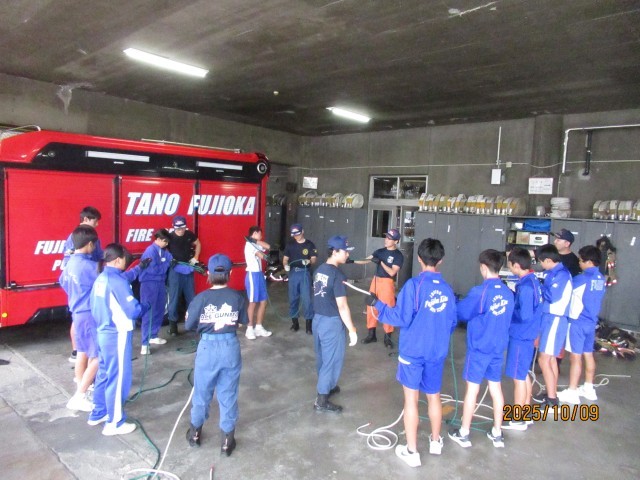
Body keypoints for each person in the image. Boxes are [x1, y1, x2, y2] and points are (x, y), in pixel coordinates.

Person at [367, 238, 457, 466]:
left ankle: (412, 451)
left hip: (413, 352)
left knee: (411, 400)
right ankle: (435, 442)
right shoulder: (447, 289)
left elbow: (400, 317)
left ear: (418, 258)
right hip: (436, 352)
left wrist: (378, 305)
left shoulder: (413, 286)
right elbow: (452, 322)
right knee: (434, 396)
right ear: (441, 260)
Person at [449, 249, 514, 449]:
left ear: (484, 268)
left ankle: (464, 433)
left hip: (479, 348)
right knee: (496, 388)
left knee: (472, 389)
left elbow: (462, 312)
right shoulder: (508, 293)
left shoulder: (480, 291)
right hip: (498, 348)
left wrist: (455, 301)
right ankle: (497, 433)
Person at [185, 254, 248, 457]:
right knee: (228, 393)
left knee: (202, 391)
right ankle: (227, 441)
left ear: (208, 274)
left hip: (207, 348)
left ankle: (195, 433)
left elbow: (189, 325)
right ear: (230, 273)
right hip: (230, 347)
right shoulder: (237, 297)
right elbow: (242, 322)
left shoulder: (200, 298)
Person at [88, 244, 148, 436]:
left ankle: (99, 412)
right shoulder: (117, 281)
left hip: (103, 332)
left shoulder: (101, 278)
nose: (126, 262)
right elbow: (133, 310)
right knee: (119, 377)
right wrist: (144, 307)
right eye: (124, 259)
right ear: (117, 260)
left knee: (104, 374)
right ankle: (114, 422)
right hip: (117, 334)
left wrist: (139, 268)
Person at [312, 235, 358, 413]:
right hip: (331, 322)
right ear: (335, 252)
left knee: (323, 357)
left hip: (318, 319)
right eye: (345, 251)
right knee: (331, 360)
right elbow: (342, 306)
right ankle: (321, 400)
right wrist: (352, 329)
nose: (347, 255)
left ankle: (328, 386)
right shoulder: (337, 275)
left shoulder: (320, 270)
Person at [557, 246, 606, 405]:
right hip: (591, 322)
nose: (579, 263)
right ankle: (589, 388)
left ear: (589, 262)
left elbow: (565, 289)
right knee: (588, 354)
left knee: (575, 357)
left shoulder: (581, 279)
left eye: (581, 260)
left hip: (577, 322)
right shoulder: (600, 278)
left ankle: (572, 391)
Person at [59, 225, 100, 412]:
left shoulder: (69, 263)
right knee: (98, 355)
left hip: (77, 313)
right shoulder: (90, 267)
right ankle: (80, 395)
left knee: (82, 352)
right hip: (89, 314)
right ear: (90, 244)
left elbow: (63, 282)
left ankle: (81, 387)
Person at [502, 247, 543, 431]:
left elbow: (524, 315)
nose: (509, 267)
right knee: (523, 373)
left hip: (521, 335)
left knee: (518, 377)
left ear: (516, 265)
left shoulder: (525, 287)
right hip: (529, 334)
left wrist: (510, 310)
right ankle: (526, 413)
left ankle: (518, 419)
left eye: (510, 264)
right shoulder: (532, 280)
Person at [62, 206, 103, 364]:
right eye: (95, 221)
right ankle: (77, 351)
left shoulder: (92, 236)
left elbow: (99, 257)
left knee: (80, 319)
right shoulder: (75, 237)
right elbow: (68, 266)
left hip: (89, 284)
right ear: (85, 219)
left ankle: (80, 353)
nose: (97, 224)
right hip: (84, 287)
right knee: (80, 320)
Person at [532, 244, 572, 407]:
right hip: (549, 318)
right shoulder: (553, 273)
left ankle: (552, 399)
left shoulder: (562, 275)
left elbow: (551, 296)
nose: (541, 264)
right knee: (551, 359)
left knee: (544, 359)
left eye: (541, 261)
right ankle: (551, 392)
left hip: (555, 319)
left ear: (548, 260)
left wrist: (537, 287)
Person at [356, 228, 404, 348]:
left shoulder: (398, 255)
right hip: (376, 281)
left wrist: (381, 262)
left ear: (396, 241)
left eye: (390, 238)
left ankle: (388, 337)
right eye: (386, 237)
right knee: (371, 305)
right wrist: (351, 261)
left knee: (388, 307)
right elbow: (366, 260)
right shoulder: (380, 251)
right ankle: (371, 334)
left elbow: (392, 272)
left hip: (387, 283)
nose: (386, 240)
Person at [139, 229, 173, 355]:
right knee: (148, 312)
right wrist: (167, 264)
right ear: (157, 239)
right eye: (165, 241)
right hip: (149, 284)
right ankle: (144, 344)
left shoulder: (163, 251)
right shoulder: (150, 251)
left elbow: (170, 259)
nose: (166, 244)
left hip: (160, 283)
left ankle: (153, 335)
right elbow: (154, 270)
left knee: (159, 309)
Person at [167, 215, 201, 336]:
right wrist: (169, 259)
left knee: (191, 298)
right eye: (178, 228)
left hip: (188, 269)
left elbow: (198, 243)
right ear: (174, 227)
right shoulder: (170, 237)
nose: (180, 230)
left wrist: (195, 257)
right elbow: (163, 250)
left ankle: (192, 324)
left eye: (182, 228)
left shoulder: (189, 235)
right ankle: (173, 327)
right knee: (174, 299)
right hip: (175, 271)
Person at [283, 223, 318, 333]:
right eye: (294, 235)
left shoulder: (309, 244)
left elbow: (314, 259)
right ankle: (295, 323)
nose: (296, 237)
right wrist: (285, 265)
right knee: (293, 299)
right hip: (293, 273)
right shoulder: (290, 245)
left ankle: (309, 325)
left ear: (302, 232)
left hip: (305, 273)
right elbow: (285, 259)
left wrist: (309, 261)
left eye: (297, 234)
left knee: (307, 299)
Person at [244, 226, 273, 339]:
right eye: (260, 234)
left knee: (263, 302)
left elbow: (268, 246)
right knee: (253, 302)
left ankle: (259, 327)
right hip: (253, 275)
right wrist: (253, 242)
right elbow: (262, 256)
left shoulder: (254, 243)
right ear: (255, 233)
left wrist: (255, 241)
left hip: (260, 274)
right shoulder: (249, 245)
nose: (261, 236)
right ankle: (249, 328)